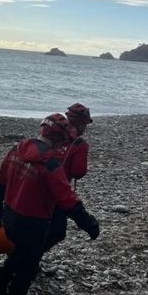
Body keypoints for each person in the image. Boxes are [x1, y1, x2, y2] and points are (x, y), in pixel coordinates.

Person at [0, 114, 100, 295]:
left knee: (19, 252)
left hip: (10, 213)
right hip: (34, 220)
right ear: (59, 138)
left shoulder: (16, 149)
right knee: (28, 266)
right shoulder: (50, 164)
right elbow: (67, 199)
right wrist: (89, 223)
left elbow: (1, 181)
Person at [44, 103, 92, 253]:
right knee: (58, 231)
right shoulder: (79, 144)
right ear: (81, 124)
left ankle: (24, 254)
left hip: (37, 181)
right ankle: (29, 257)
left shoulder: (54, 134)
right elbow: (79, 172)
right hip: (59, 189)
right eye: (85, 124)